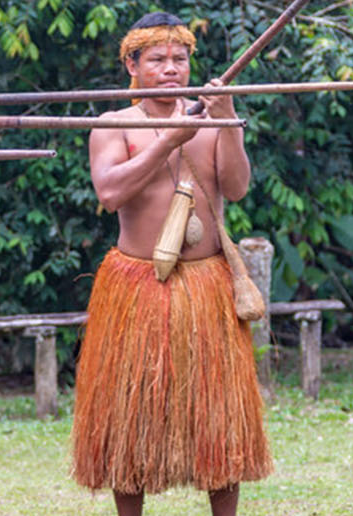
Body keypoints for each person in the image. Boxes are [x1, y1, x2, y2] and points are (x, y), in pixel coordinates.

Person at [74, 12, 272, 516]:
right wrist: (168, 139)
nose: (170, 70)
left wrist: (226, 120)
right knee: (129, 415)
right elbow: (111, 191)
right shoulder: (113, 125)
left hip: (206, 284)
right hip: (137, 284)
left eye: (179, 60)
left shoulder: (212, 119)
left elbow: (236, 187)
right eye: (157, 60)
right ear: (131, 65)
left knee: (218, 416)